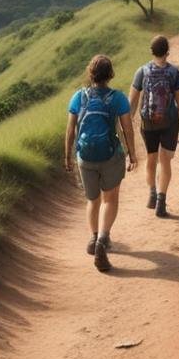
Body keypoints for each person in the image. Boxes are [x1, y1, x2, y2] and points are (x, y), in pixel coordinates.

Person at [64, 55, 138, 272]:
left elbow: (70, 130)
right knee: (110, 199)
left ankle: (92, 237)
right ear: (110, 74)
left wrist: (67, 157)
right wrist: (132, 155)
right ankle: (102, 240)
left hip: (84, 157)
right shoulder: (118, 98)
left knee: (92, 200)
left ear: (90, 73)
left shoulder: (79, 96)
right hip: (110, 156)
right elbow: (127, 129)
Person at [129, 36, 179, 218]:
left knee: (151, 158)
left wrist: (128, 123)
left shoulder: (141, 71)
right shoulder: (174, 72)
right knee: (165, 161)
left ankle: (152, 194)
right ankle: (161, 201)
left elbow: (132, 100)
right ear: (167, 51)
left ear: (151, 51)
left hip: (148, 123)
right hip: (169, 121)